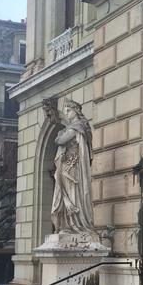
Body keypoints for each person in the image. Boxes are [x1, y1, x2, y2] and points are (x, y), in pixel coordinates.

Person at [51, 99, 94, 234]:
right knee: (66, 193)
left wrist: (60, 135)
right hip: (67, 166)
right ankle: (67, 225)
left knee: (74, 194)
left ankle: (74, 225)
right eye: (65, 111)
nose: (67, 114)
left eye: (69, 111)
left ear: (76, 111)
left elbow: (60, 140)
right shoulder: (73, 127)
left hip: (73, 167)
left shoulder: (77, 126)